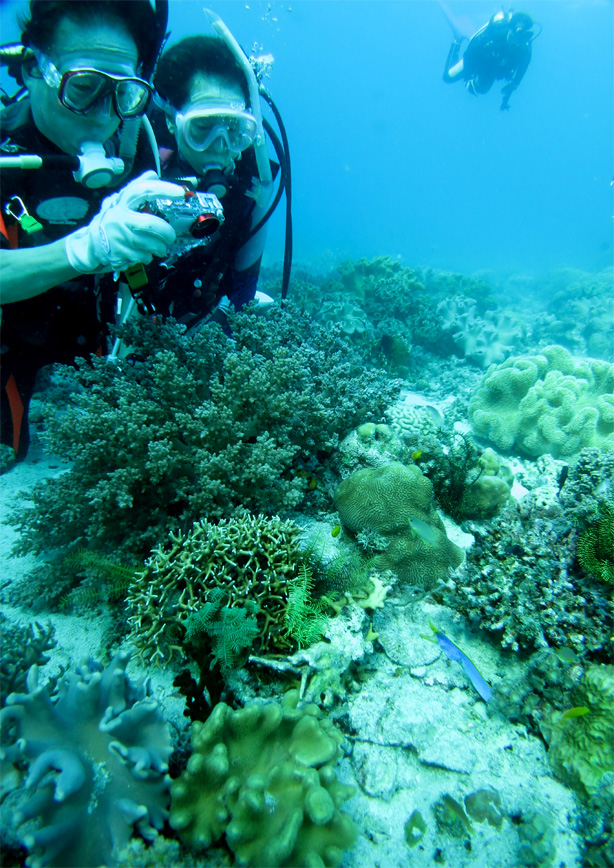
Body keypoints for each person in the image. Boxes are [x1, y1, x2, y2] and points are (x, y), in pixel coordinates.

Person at [0, 0, 186, 461]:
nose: (103, 116)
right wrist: (84, 249)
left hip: (93, 331)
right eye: (83, 87)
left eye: (122, 93)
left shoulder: (135, 138)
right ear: (30, 69)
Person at [145, 12, 286, 330]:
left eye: (235, 130)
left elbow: (244, 289)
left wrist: (224, 333)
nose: (221, 146)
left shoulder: (255, 174)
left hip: (203, 308)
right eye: (203, 127)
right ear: (171, 120)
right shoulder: (145, 159)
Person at [442, 9, 536, 111]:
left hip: (493, 68)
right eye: (518, 34)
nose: (519, 40)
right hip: (476, 59)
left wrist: (512, 87)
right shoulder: (495, 35)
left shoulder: (524, 49)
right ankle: (458, 40)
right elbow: (472, 48)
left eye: (524, 36)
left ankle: (477, 81)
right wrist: (468, 75)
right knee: (448, 77)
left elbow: (522, 68)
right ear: (510, 28)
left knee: (481, 89)